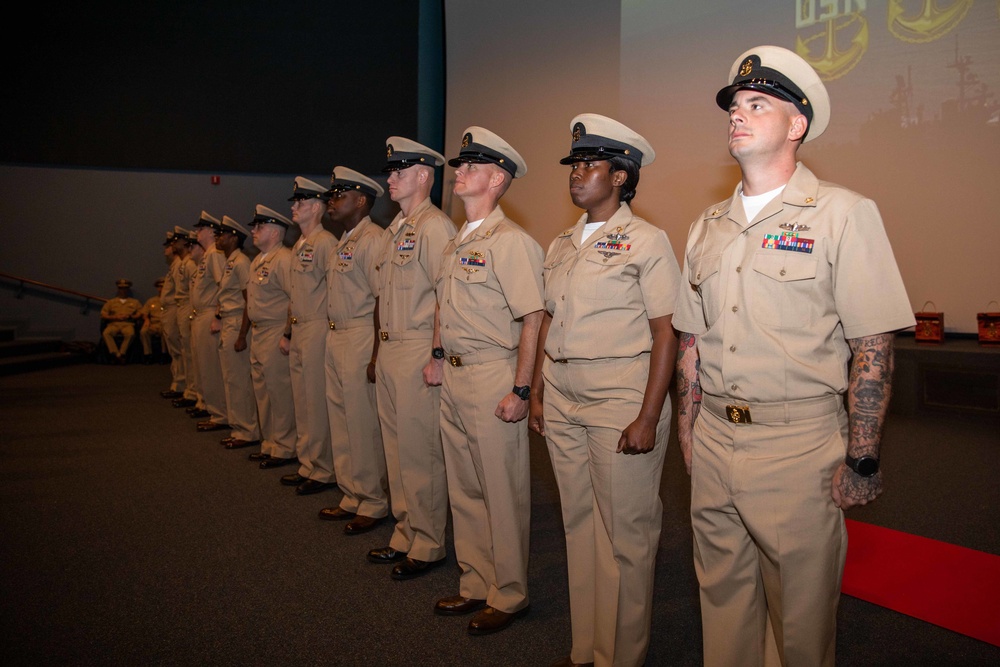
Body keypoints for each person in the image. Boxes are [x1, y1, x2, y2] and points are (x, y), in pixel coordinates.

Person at [672, 46, 915, 667]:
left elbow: (872, 346)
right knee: (721, 606)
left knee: (802, 625)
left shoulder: (842, 214)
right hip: (716, 439)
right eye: (734, 105)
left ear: (796, 125)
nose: (737, 115)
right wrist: (689, 437)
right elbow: (691, 342)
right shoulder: (707, 225)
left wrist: (862, 459)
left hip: (799, 446)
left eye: (758, 104)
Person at [527, 114, 681, 667]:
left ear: (620, 176)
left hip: (620, 398)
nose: (577, 174)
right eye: (574, 164)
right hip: (564, 396)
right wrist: (540, 393)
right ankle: (587, 648)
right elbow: (547, 321)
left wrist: (648, 414)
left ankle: (624, 655)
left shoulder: (647, 240)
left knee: (626, 535)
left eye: (591, 164)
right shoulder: (561, 243)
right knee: (578, 525)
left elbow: (668, 329)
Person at [423, 127, 541, 634]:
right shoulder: (457, 242)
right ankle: (475, 581)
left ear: (497, 179)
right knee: (465, 487)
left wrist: (521, 389)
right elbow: (442, 306)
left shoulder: (511, 241)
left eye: (471, 166)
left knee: (500, 489)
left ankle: (510, 592)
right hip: (454, 374)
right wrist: (435, 354)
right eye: (459, 165)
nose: (459, 172)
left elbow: (534, 317)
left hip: (494, 372)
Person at [368, 137, 455, 580]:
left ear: (423, 175)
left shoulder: (435, 227)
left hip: (419, 347)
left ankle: (428, 542)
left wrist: (438, 354)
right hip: (390, 349)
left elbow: (446, 295)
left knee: (420, 452)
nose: (390, 178)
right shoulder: (393, 231)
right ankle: (405, 531)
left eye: (399, 171)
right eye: (391, 171)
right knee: (396, 449)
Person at [318, 167, 390, 534]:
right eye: (331, 196)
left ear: (360, 201)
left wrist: (376, 355)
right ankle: (351, 494)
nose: (331, 202)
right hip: (336, 337)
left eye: (339, 196)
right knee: (341, 420)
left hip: (361, 336)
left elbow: (381, 300)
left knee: (362, 424)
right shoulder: (344, 241)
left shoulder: (373, 240)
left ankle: (374, 501)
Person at [278, 177, 338, 495]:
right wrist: (288, 331)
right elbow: (295, 294)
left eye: (299, 203)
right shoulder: (299, 244)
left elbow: (333, 290)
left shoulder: (325, 242)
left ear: (316, 207)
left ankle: (323, 468)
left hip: (316, 326)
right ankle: (308, 463)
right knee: (301, 400)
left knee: (316, 401)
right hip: (299, 326)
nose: (294, 207)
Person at [245, 205, 298, 469]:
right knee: (263, 391)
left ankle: (285, 446)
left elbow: (294, 298)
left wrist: (288, 333)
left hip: (276, 330)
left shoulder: (284, 259)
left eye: (260, 227)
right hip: (259, 331)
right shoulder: (259, 260)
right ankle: (270, 443)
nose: (253, 232)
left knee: (279, 392)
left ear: (275, 233)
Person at [214, 216, 261, 449]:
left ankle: (248, 430)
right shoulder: (230, 261)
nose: (218, 238)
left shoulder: (241, 262)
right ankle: (238, 427)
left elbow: (248, 300)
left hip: (237, 324)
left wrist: (243, 334)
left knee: (240, 380)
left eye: (222, 234)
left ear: (234, 237)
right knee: (231, 379)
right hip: (229, 323)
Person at [189, 212, 229, 432]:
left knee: (211, 369)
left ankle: (220, 414)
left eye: (201, 229)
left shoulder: (214, 255)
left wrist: (218, 315)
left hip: (209, 315)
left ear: (211, 232)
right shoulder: (208, 255)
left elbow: (224, 285)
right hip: (201, 314)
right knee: (203, 367)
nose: (197, 233)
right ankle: (213, 409)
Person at [170, 229, 200, 409]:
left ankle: (193, 391)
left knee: (190, 352)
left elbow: (193, 290)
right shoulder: (183, 263)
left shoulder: (189, 264)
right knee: (185, 351)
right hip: (182, 306)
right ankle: (190, 389)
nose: (174, 245)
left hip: (189, 306)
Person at [160, 229, 188, 397]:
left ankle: (181, 384)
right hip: (170, 309)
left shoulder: (180, 264)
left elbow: (181, 291)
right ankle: (178, 382)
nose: (167, 248)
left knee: (179, 350)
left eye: (170, 244)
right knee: (175, 350)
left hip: (175, 308)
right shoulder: (175, 265)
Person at [101, 279, 143, 364]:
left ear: (128, 289)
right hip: (114, 323)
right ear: (118, 289)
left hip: (128, 323)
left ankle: (122, 353)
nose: (123, 290)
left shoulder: (134, 302)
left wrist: (131, 316)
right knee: (106, 333)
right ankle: (116, 353)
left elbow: (140, 313)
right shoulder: (111, 302)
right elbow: (103, 314)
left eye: (125, 288)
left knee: (130, 334)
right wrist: (114, 317)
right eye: (121, 288)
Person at [139, 278, 167, 364]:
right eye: (159, 287)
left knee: (165, 332)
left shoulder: (170, 300)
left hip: (164, 323)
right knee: (143, 331)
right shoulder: (151, 301)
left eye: (163, 286)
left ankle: (164, 355)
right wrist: (147, 320)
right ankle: (148, 355)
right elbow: (144, 313)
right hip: (153, 324)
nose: (161, 289)